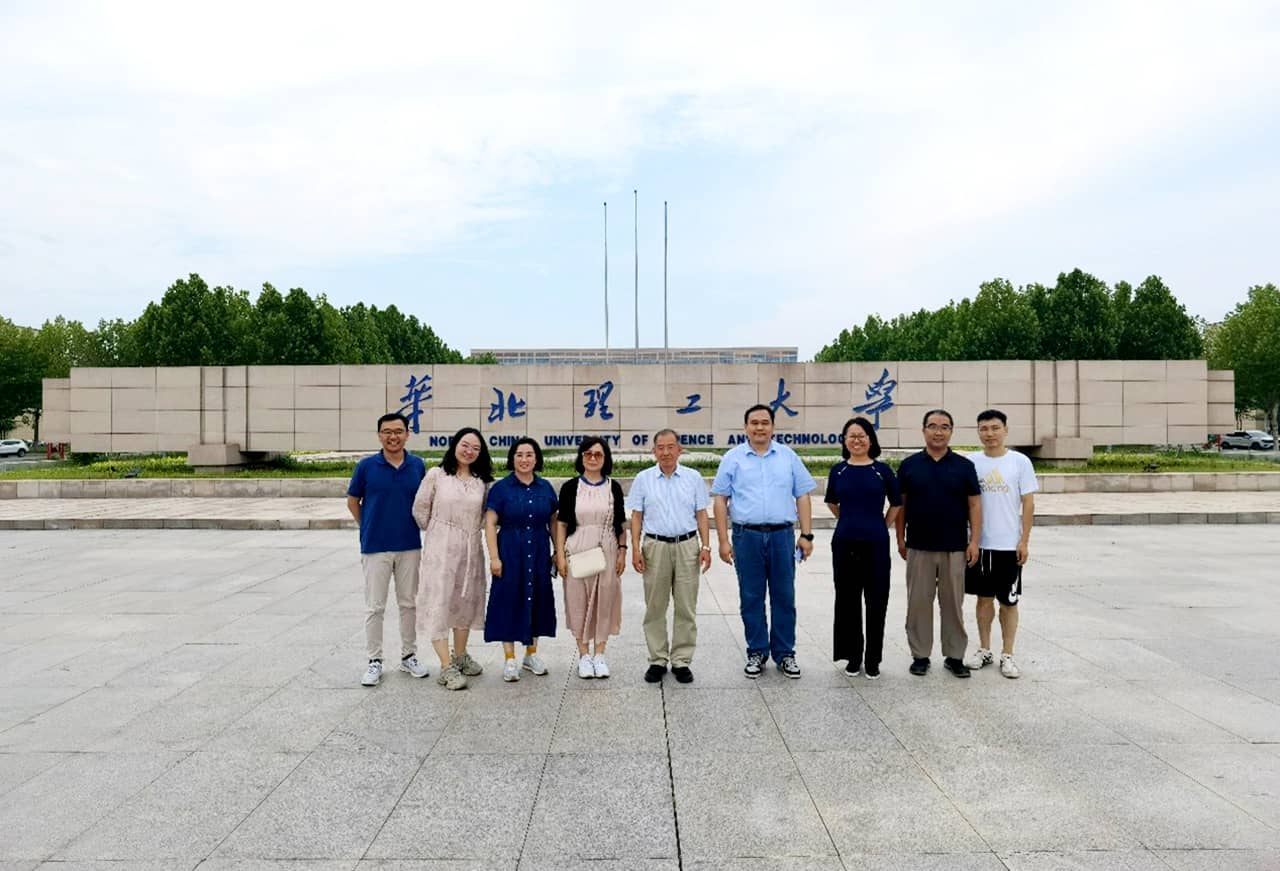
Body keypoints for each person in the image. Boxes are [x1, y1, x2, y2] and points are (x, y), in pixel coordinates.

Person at [712, 404, 817, 679]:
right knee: (751, 596)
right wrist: (723, 540)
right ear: (745, 427)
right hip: (747, 536)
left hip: (782, 535)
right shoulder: (733, 458)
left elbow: (803, 495)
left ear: (773, 427)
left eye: (765, 422)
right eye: (754, 423)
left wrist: (806, 535)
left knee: (784, 595)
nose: (760, 427)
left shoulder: (787, 456)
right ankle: (757, 651)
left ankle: (785, 653)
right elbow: (720, 500)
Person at [895, 409, 982, 678]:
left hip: (955, 547)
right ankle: (920, 655)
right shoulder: (909, 465)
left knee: (953, 604)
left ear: (951, 431)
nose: (938, 431)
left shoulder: (964, 466)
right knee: (919, 603)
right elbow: (901, 506)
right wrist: (900, 539)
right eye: (932, 426)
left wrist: (974, 541)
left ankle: (954, 656)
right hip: (919, 546)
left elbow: (974, 505)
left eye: (944, 427)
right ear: (923, 430)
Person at [346, 412, 430, 687]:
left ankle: (409, 655)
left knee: (408, 603)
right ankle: (374, 660)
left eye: (398, 431)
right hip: (375, 546)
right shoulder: (366, 466)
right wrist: (368, 526)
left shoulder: (417, 465)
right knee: (375, 606)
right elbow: (353, 501)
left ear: (407, 434)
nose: (393, 437)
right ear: (379, 435)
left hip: (409, 545)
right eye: (387, 432)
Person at [411, 427, 494, 691]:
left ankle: (460, 655)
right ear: (455, 445)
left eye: (476, 448)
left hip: (470, 548)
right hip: (441, 550)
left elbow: (486, 515)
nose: (469, 451)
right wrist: (440, 532)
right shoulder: (437, 475)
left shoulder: (482, 482)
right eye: (465, 445)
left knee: (465, 601)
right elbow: (420, 510)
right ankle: (446, 666)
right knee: (439, 601)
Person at [627, 428, 712, 684]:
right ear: (654, 451)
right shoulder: (643, 479)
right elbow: (636, 516)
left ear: (679, 449)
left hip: (687, 546)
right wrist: (635, 548)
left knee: (686, 606)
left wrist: (706, 547)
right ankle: (657, 659)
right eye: (660, 448)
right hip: (655, 546)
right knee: (655, 605)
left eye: (670, 447)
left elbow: (701, 514)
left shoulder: (693, 478)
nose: (665, 452)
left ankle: (681, 660)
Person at [824, 417, 901, 680]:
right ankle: (853, 657)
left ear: (870, 439)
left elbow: (896, 503)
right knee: (848, 601)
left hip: (876, 543)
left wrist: (882, 524)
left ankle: (873, 659)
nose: (856, 440)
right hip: (844, 543)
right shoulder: (838, 470)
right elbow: (832, 502)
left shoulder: (882, 470)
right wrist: (848, 520)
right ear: (845, 441)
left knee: (876, 600)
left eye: (862, 435)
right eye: (851, 436)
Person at [963, 409, 1038, 679]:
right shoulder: (971, 462)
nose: (990, 434)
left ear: (1005, 430)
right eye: (984, 429)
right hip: (980, 545)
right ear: (978, 432)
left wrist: (1024, 541)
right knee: (983, 600)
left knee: (1008, 601)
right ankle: (984, 649)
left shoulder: (1019, 462)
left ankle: (1008, 654)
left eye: (995, 428)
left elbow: (1028, 503)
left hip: (1009, 546)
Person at [483, 437, 559, 682]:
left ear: (536, 459)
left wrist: (558, 551)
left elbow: (554, 521)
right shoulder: (501, 488)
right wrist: (494, 557)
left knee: (537, 600)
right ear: (512, 458)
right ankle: (509, 659)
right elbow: (490, 523)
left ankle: (531, 654)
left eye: (529, 455)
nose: (524, 459)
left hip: (538, 551)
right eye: (519, 455)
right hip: (509, 552)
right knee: (508, 601)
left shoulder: (545, 487)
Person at [554, 437, 628, 679]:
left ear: (605, 458)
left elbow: (620, 524)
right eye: (588, 454)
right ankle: (584, 655)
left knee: (605, 601)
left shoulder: (613, 487)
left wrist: (623, 551)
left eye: (598, 454)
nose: (593, 458)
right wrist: (560, 556)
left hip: (607, 549)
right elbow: (561, 524)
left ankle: (600, 655)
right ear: (581, 457)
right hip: (577, 548)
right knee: (578, 601)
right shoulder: (570, 487)